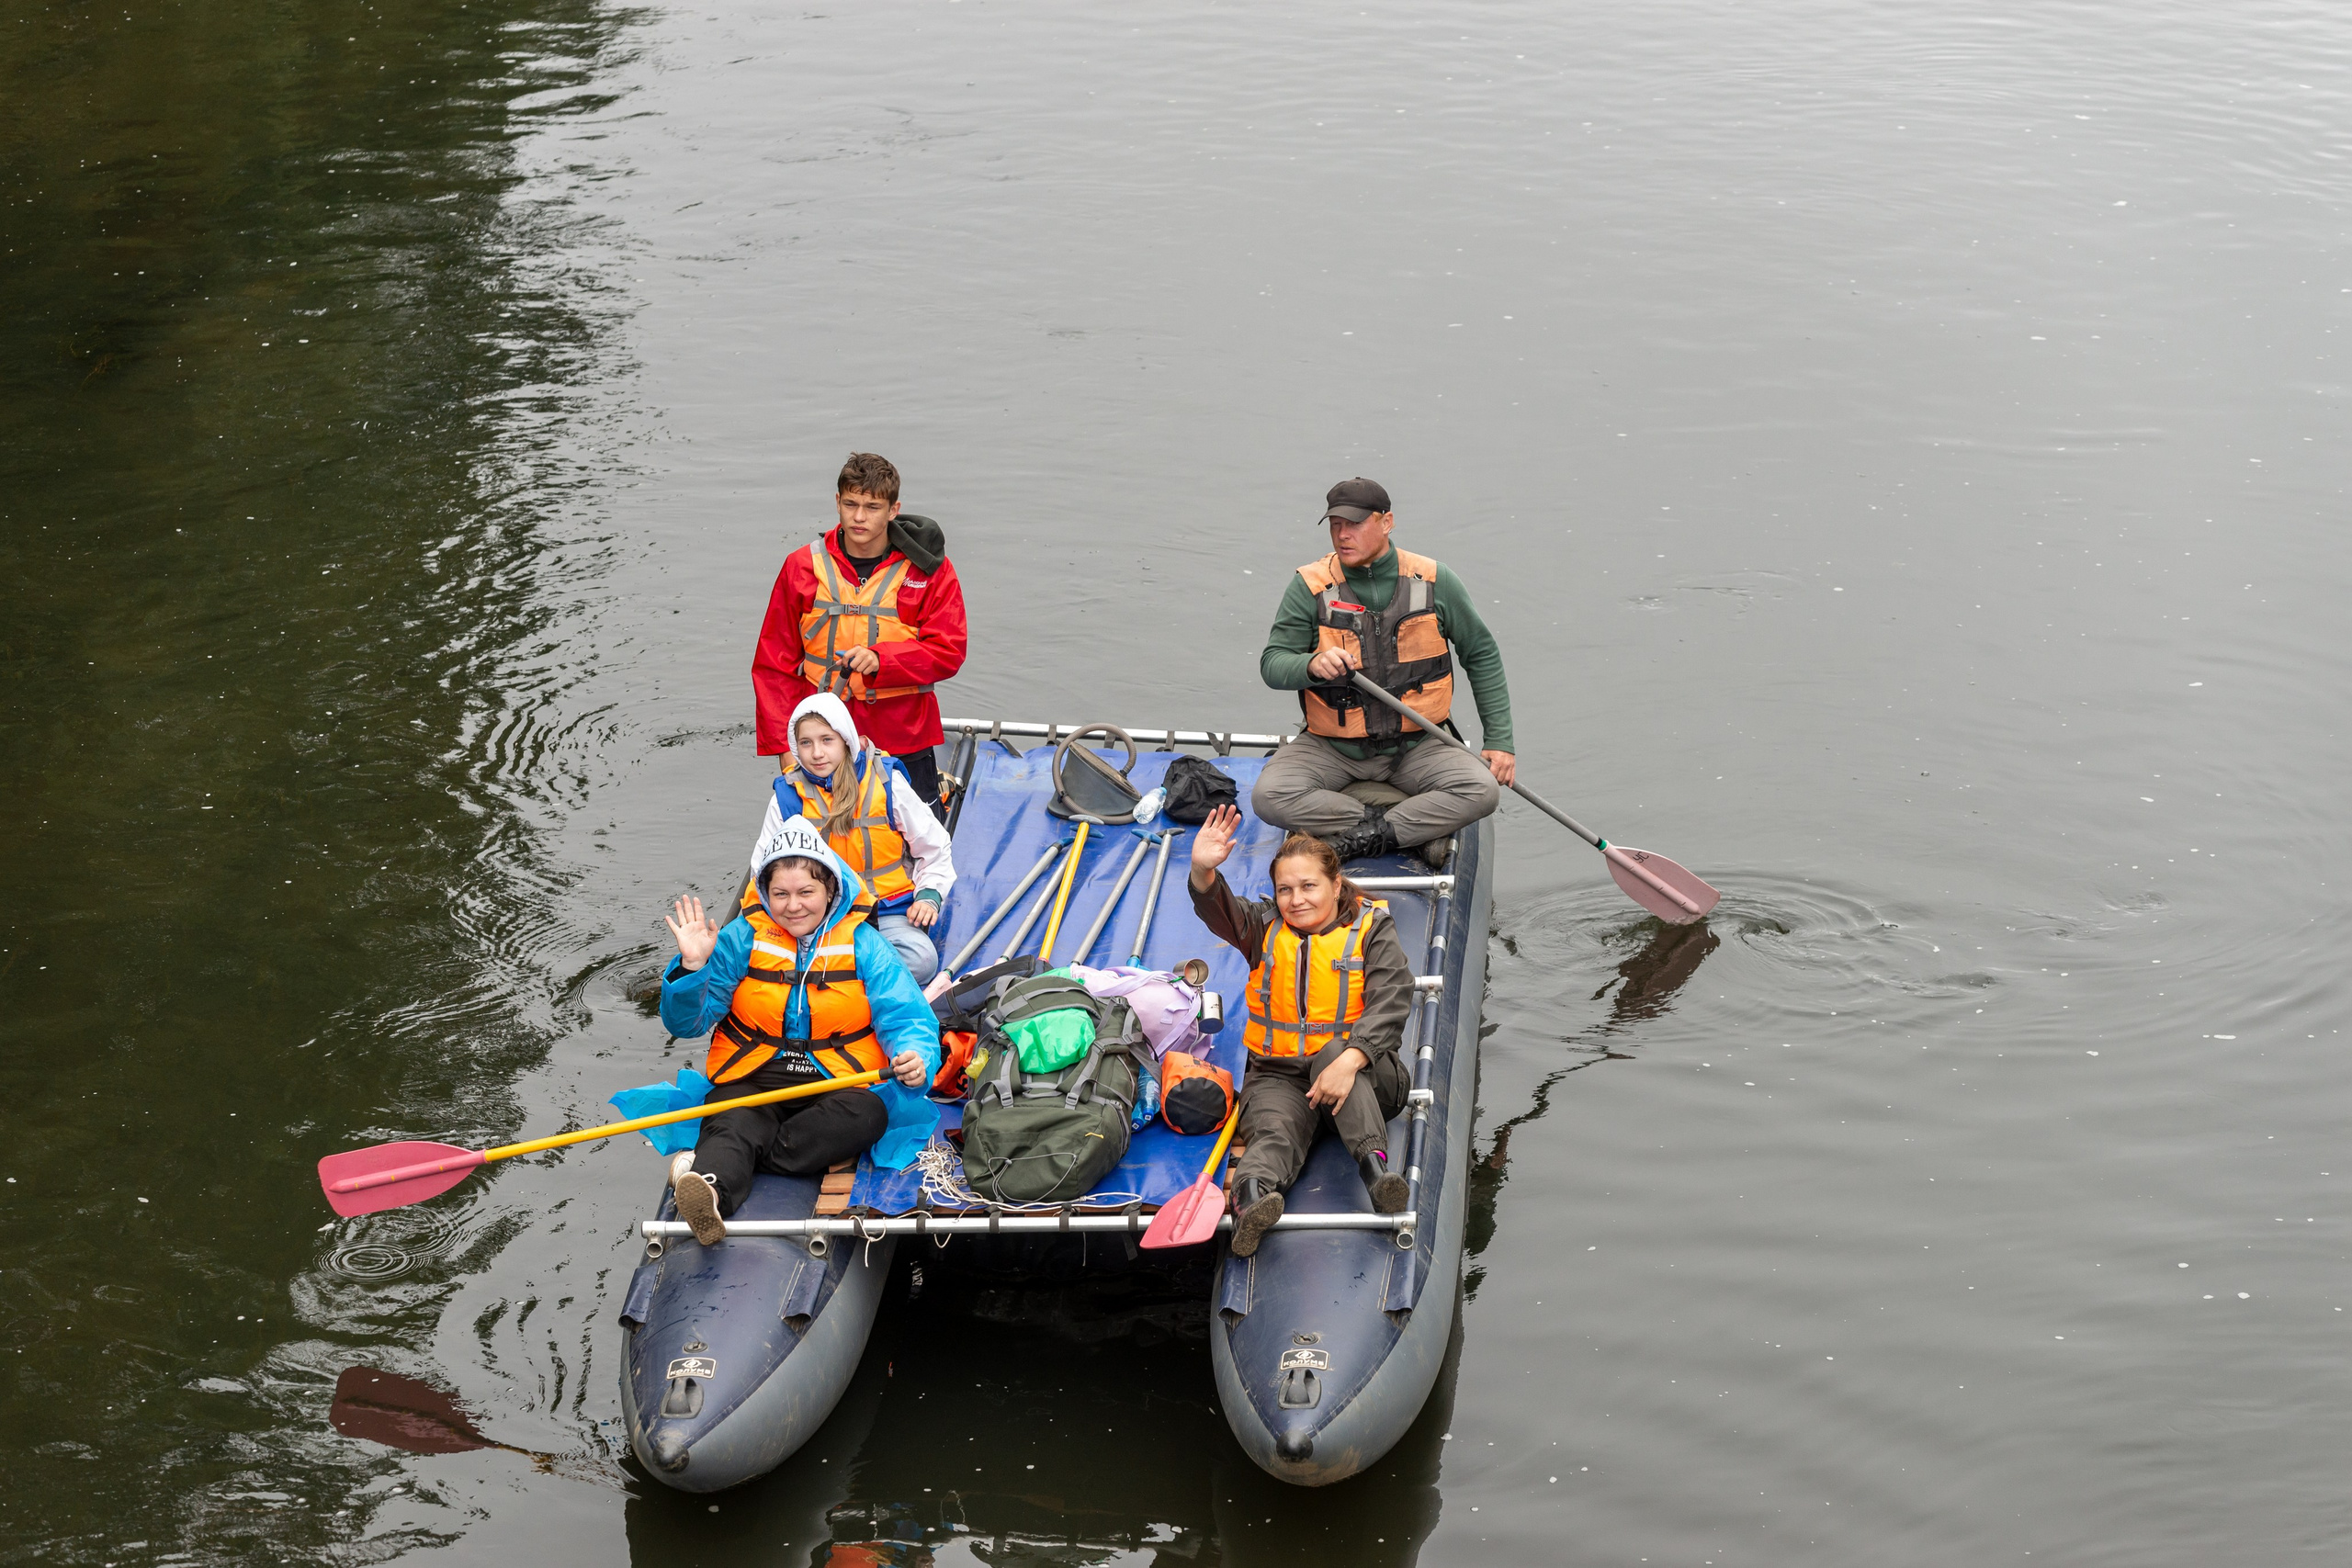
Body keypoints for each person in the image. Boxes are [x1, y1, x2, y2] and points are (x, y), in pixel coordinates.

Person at [660, 814, 943, 1246]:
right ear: (765, 893)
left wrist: (916, 1057)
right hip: (753, 1078)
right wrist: (692, 967)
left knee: (868, 1115)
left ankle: (737, 1156)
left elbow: (907, 1018)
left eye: (806, 892)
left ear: (830, 889)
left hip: (837, 1082)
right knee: (733, 1117)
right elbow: (687, 1023)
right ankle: (712, 1193)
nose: (793, 906)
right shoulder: (740, 938)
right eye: (781, 894)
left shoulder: (865, 944)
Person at [1251, 476, 1516, 868]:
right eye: (1335, 525)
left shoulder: (1436, 581)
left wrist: (1500, 740)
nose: (1343, 535)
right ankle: (1404, 828)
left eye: (1355, 524)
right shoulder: (1309, 586)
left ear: (1387, 522)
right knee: (1268, 797)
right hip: (1333, 748)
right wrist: (1310, 664)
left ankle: (1362, 833)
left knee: (1482, 791)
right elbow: (1273, 664)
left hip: (1418, 745)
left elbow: (1482, 655)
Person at [1186, 803, 1413, 1258]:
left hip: (1367, 1075)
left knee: (1333, 1053)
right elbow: (1219, 909)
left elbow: (1392, 997)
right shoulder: (1262, 928)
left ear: (1335, 885)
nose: (1297, 899)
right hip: (1281, 1075)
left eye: (1309, 886)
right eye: (1285, 889)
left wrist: (1350, 1060)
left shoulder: (1372, 928)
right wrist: (1202, 870)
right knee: (1273, 1132)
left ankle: (1377, 1174)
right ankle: (1251, 1200)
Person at [752, 451, 968, 804]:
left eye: (872, 507)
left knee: (915, 833)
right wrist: (785, 747)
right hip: (823, 741)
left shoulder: (929, 571)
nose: (859, 517)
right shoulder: (801, 567)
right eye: (850, 504)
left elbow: (949, 650)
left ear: (894, 510)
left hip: (904, 737)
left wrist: (883, 660)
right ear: (837, 502)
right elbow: (773, 665)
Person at [763, 691, 956, 984]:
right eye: (806, 743)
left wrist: (929, 895)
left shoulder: (887, 782)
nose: (817, 753)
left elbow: (935, 847)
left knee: (922, 960)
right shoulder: (786, 797)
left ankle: (834, 974)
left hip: (885, 911)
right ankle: (859, 975)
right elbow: (762, 869)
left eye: (827, 740)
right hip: (814, 917)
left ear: (846, 740)